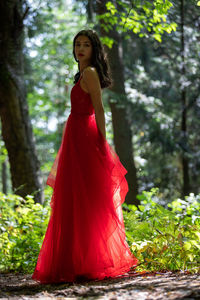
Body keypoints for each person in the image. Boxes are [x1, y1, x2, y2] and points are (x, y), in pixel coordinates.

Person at [31, 29, 138, 284]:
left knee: (89, 198)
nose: (80, 48)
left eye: (86, 45)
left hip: (86, 137)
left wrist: (102, 142)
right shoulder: (82, 73)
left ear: (94, 49)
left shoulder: (89, 73)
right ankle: (77, 261)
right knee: (75, 198)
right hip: (75, 137)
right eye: (78, 44)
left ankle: (92, 260)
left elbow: (99, 109)